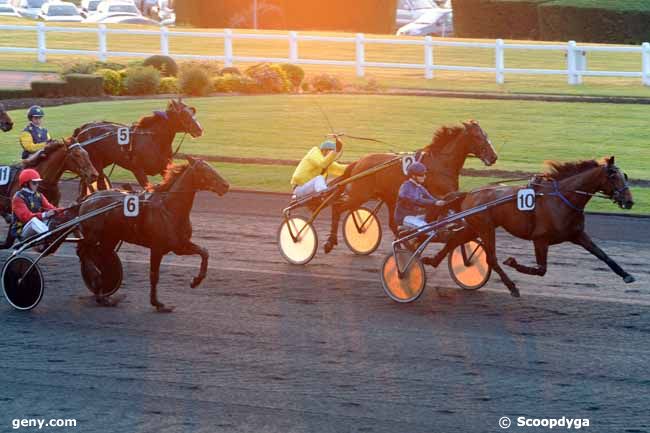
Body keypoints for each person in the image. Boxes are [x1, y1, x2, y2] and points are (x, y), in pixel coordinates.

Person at [11, 169, 61, 240]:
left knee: (53, 218)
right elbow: (26, 217)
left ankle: (51, 233)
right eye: (34, 183)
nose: (37, 185)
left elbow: (51, 208)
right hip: (21, 230)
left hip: (36, 227)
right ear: (26, 184)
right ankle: (49, 235)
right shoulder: (18, 198)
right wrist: (45, 215)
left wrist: (66, 209)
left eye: (38, 182)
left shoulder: (39, 195)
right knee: (34, 220)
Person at [394, 162, 446, 229]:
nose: (424, 176)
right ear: (413, 176)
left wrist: (441, 201)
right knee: (428, 229)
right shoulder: (406, 186)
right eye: (422, 175)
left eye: (425, 174)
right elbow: (417, 200)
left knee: (436, 221)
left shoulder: (419, 186)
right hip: (404, 217)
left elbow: (431, 198)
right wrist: (435, 202)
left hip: (414, 216)